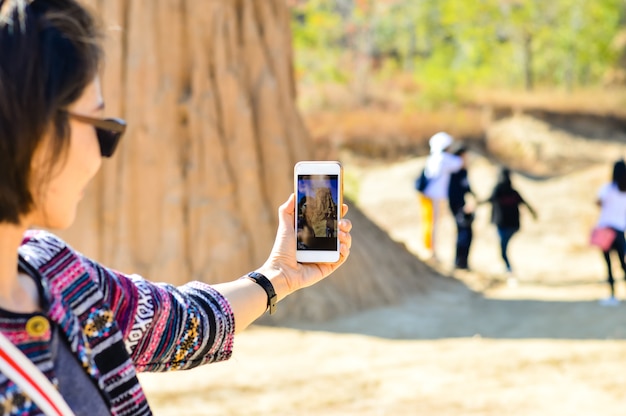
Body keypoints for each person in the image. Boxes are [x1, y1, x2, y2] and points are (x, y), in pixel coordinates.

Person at [0, 1, 352, 415]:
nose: (103, 153)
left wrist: (278, 276)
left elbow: (177, 324)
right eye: (101, 127)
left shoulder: (56, 272)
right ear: (34, 128)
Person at [418, 132, 464, 260]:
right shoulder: (443, 158)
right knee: (432, 223)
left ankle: (429, 248)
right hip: (434, 196)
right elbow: (460, 163)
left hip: (428, 195)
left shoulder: (433, 158)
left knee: (428, 222)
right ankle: (431, 251)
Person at [486, 167, 537, 277]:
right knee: (503, 247)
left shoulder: (499, 190)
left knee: (503, 248)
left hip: (503, 225)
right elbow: (526, 204)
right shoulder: (512, 192)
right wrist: (533, 214)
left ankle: (508, 268)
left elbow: (488, 200)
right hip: (512, 225)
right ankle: (506, 267)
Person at [593, 159, 626, 306]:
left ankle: (612, 296)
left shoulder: (607, 189)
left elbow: (598, 203)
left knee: (608, 264)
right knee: (622, 264)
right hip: (619, 230)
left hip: (605, 229)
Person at [447, 145, 476, 270]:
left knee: (468, 233)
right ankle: (459, 262)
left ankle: (464, 262)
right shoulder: (455, 172)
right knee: (463, 232)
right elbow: (454, 192)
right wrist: (462, 207)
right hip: (458, 206)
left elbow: (467, 188)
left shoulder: (463, 171)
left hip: (464, 205)